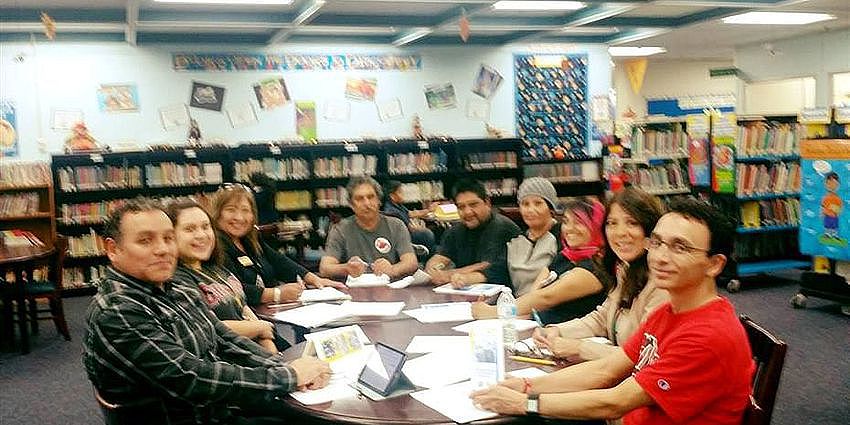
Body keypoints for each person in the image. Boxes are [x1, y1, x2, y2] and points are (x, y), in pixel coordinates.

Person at [471, 197, 755, 425]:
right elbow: (606, 369)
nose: (660, 257)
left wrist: (524, 403)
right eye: (656, 243)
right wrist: (525, 385)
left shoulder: (707, 334)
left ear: (714, 264)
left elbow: (616, 400)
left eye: (680, 248)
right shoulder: (667, 311)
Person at [82, 198, 331, 424]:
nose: (162, 249)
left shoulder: (174, 287)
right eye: (145, 240)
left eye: (168, 238)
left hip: (215, 405)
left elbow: (222, 338)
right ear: (113, 249)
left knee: (320, 414)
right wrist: (287, 376)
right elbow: (190, 376)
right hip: (191, 415)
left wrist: (282, 367)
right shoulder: (118, 310)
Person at [533, 188, 668, 362]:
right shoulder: (625, 269)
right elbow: (602, 317)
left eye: (632, 223)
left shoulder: (662, 282)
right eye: (612, 223)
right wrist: (556, 330)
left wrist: (579, 347)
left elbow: (644, 357)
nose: (620, 232)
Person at [472, 198, 612, 325]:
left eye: (579, 223)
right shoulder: (564, 256)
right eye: (566, 221)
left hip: (572, 336)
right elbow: (534, 295)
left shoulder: (596, 267)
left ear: (596, 226)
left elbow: (546, 297)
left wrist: (493, 312)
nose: (569, 229)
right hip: (539, 328)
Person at [167, 199, 279, 353]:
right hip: (237, 359)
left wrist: (267, 342)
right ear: (170, 236)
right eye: (189, 229)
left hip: (264, 351)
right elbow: (209, 326)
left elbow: (243, 307)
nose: (201, 235)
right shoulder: (177, 279)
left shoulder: (216, 268)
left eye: (206, 227)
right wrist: (260, 328)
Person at [212, 183, 343, 307]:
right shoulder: (215, 247)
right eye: (230, 210)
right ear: (217, 213)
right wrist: (276, 294)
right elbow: (231, 288)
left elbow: (279, 261)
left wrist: (313, 279)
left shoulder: (250, 238)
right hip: (248, 319)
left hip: (272, 310)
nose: (239, 217)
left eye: (245, 210)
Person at [425, 179, 521, 288]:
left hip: (500, 292)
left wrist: (448, 275)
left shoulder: (502, 227)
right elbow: (440, 257)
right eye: (461, 207)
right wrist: (433, 269)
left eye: (473, 205)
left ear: (487, 203)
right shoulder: (455, 231)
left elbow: (486, 265)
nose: (467, 212)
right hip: (466, 289)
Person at [320, 176, 418, 279]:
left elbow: (411, 262)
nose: (367, 203)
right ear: (351, 205)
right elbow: (325, 268)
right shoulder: (340, 229)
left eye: (371, 197)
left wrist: (392, 269)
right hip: (355, 290)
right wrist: (346, 268)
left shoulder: (396, 225)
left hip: (389, 287)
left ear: (379, 201)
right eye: (359, 199)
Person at [503, 177, 562, 297]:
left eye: (538, 203)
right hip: (516, 305)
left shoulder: (564, 235)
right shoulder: (514, 240)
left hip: (550, 305)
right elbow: (497, 272)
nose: (530, 210)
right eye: (525, 204)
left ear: (551, 208)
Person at [382, 179, 436, 255]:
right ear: (392, 196)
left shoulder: (397, 205)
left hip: (409, 231)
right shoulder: (392, 212)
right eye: (400, 192)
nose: (403, 194)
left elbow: (410, 213)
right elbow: (408, 228)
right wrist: (420, 228)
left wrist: (428, 210)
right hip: (406, 236)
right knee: (427, 233)